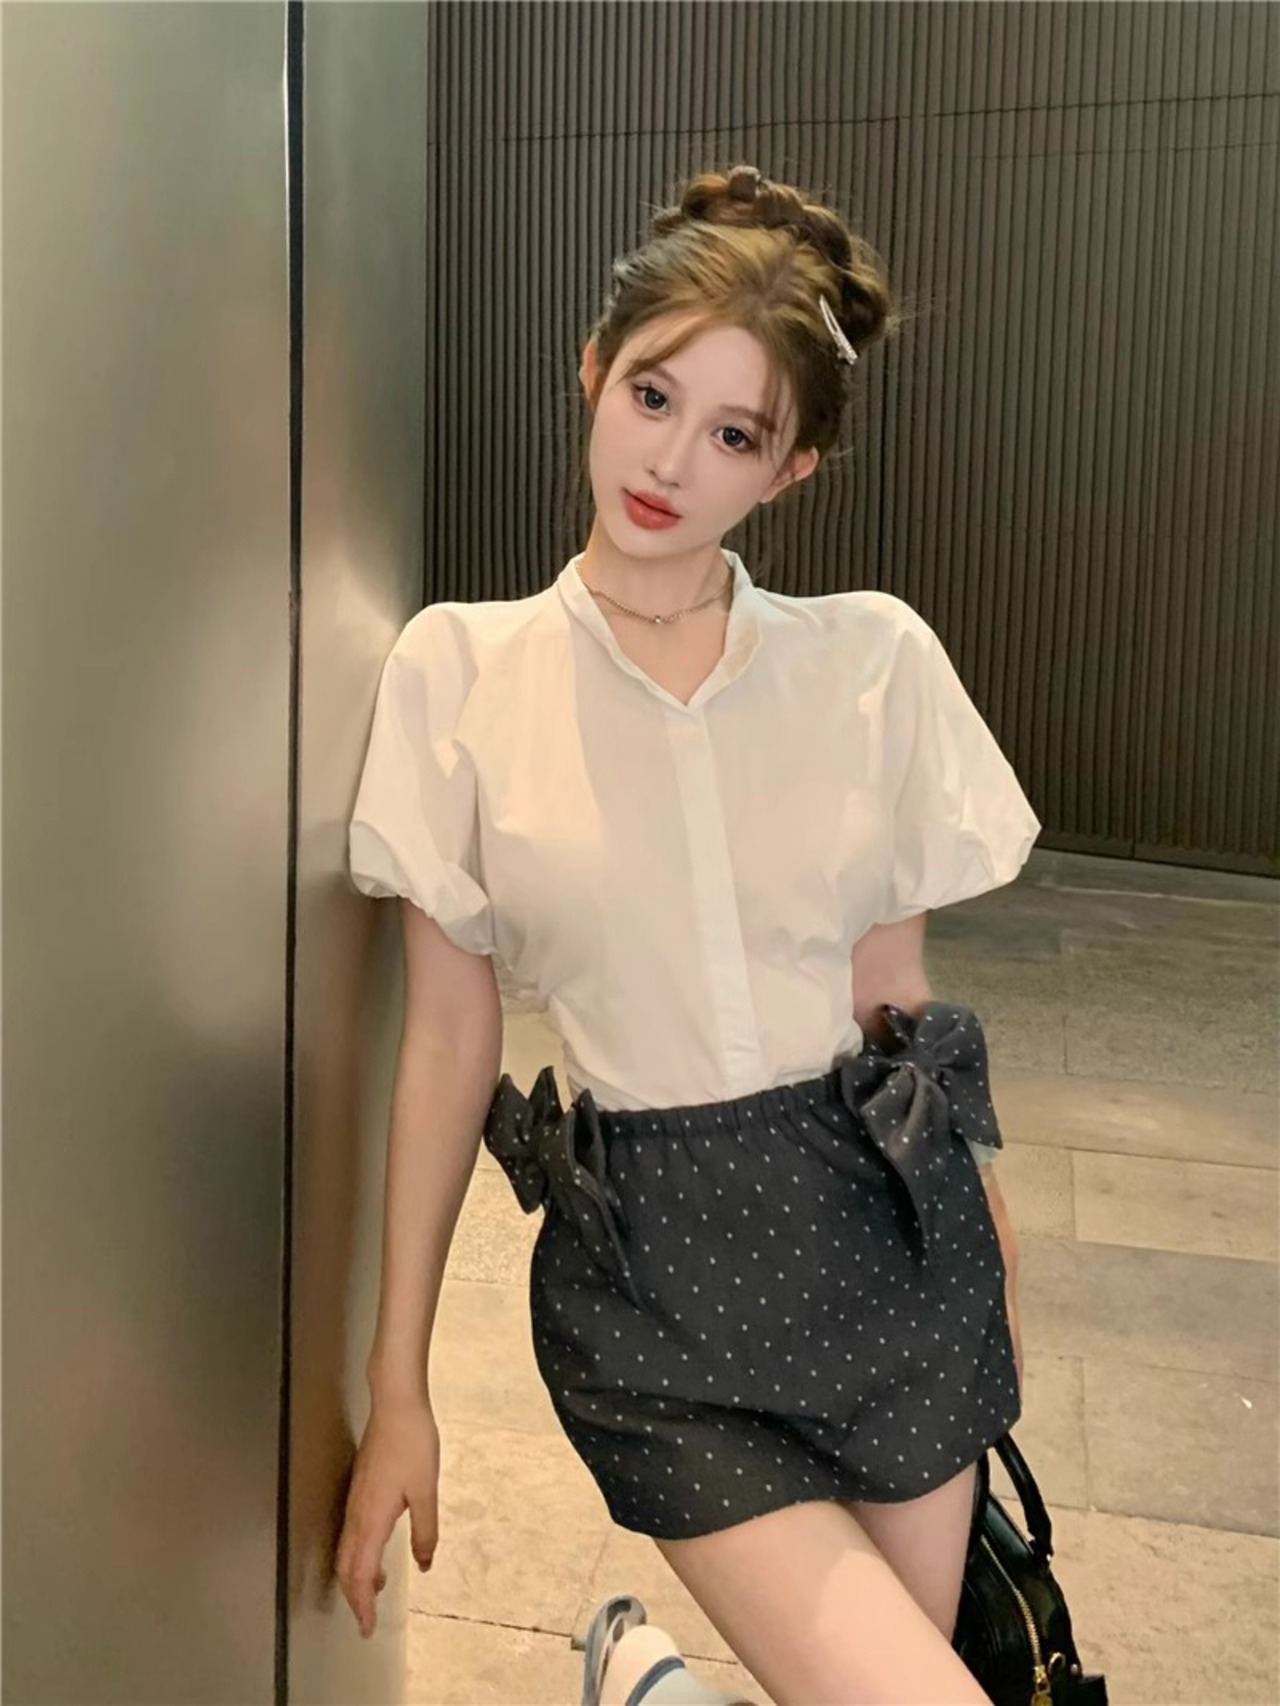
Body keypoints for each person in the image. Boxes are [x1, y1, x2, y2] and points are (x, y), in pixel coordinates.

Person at [337, 162, 1040, 1706]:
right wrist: (401, 1386)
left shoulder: (872, 666)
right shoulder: (462, 676)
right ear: (594, 369)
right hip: (657, 1290)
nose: (669, 460)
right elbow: (447, 1045)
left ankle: (645, 1687)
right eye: (654, 395)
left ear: (789, 471)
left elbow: (894, 993)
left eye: (734, 434)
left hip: (890, 1258)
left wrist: (979, 1236)